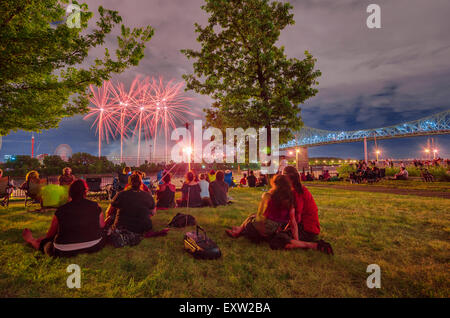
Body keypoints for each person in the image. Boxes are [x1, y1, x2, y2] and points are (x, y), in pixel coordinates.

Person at [225, 174, 333, 255]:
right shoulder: (291, 198)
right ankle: (239, 230)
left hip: (268, 227)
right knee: (275, 238)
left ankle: (239, 231)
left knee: (251, 223)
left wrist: (261, 230)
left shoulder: (269, 196)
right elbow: (293, 222)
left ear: (275, 184)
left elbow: (263, 217)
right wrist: (297, 240)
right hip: (279, 227)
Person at [22, 179, 105, 257]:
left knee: (46, 244)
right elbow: (102, 225)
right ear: (85, 192)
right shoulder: (95, 206)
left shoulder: (61, 210)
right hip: (94, 245)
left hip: (64, 249)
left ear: (70, 193)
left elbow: (50, 235)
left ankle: (32, 240)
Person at [282, 166, 321, 242]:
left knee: (279, 238)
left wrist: (284, 230)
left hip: (307, 230)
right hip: (307, 226)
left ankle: (312, 245)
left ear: (287, 177)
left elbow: (297, 218)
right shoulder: (298, 189)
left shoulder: (297, 192)